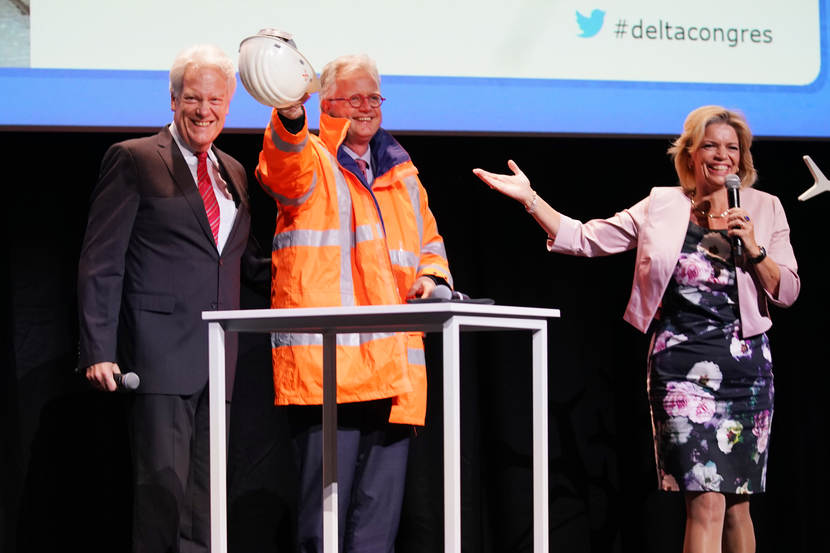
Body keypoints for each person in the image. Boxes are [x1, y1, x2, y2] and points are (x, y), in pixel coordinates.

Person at [473, 105, 799, 552]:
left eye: (732, 148)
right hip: (682, 369)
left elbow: (788, 291)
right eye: (710, 145)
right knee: (705, 503)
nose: (722, 156)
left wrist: (756, 249)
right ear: (690, 154)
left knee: (739, 505)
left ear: (742, 159)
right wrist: (531, 199)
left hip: (747, 371)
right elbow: (586, 238)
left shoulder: (764, 209)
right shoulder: (662, 205)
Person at [256, 53, 453, 552]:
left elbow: (429, 244)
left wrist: (432, 281)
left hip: (394, 373)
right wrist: (290, 115)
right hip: (331, 373)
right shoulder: (312, 158)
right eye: (353, 98)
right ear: (327, 105)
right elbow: (280, 162)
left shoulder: (402, 171)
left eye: (373, 97)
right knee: (320, 530)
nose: (366, 107)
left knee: (376, 530)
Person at [78, 44, 263, 553]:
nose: (205, 111)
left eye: (216, 100)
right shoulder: (135, 158)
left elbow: (242, 263)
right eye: (194, 99)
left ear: (229, 105)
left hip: (217, 358)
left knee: (205, 504)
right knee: (162, 497)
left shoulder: (233, 172)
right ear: (174, 98)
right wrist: (98, 348)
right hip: (159, 356)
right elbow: (102, 259)